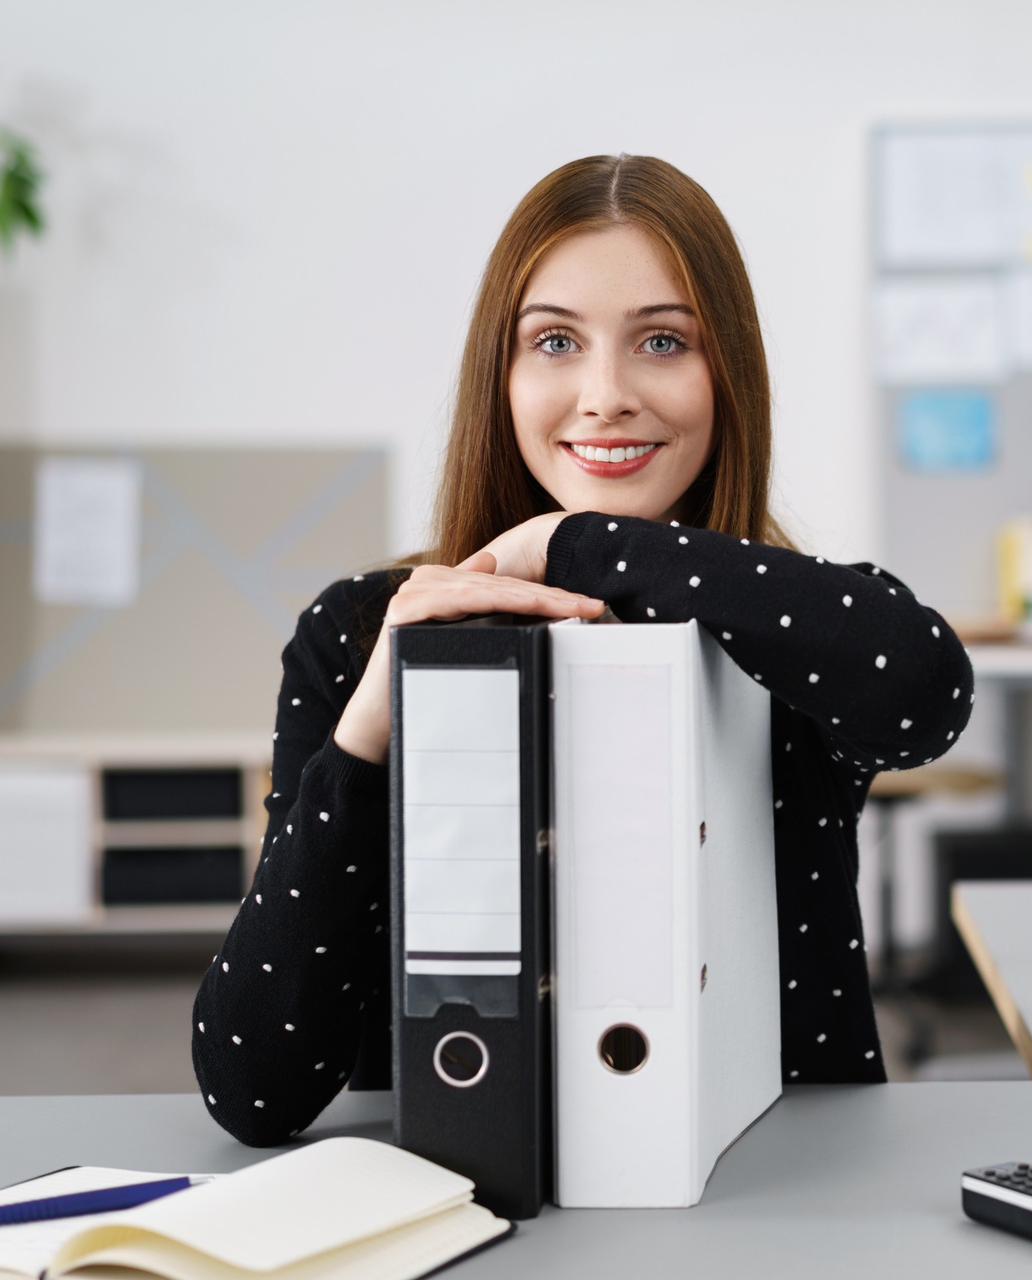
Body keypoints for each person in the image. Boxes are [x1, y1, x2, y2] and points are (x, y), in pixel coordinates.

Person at [192, 155, 975, 1144]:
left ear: (726, 368)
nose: (605, 393)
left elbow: (923, 690)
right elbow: (253, 1088)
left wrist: (568, 541)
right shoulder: (360, 630)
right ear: (501, 375)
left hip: (779, 1174)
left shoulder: (787, 624)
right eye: (555, 341)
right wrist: (367, 734)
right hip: (470, 1185)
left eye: (661, 340)